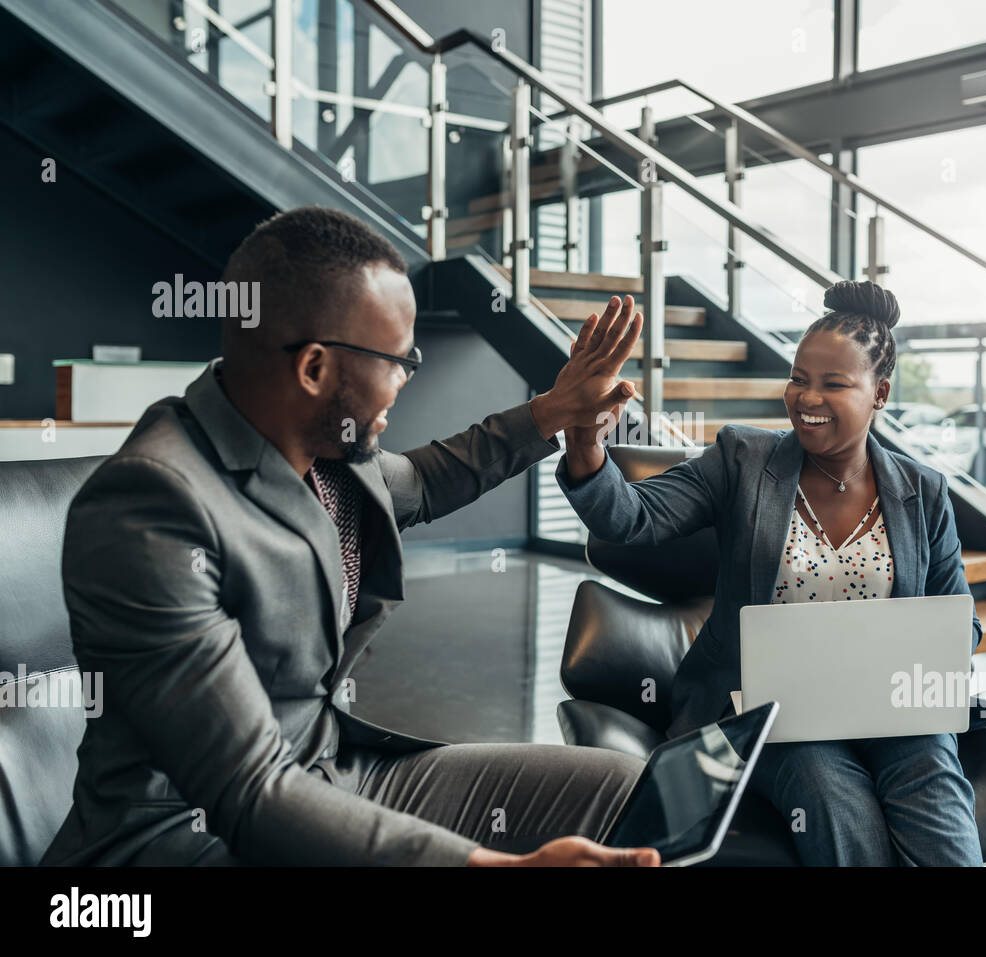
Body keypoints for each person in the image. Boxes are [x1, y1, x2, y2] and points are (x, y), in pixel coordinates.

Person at [42, 206, 657, 867]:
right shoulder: (151, 505)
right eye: (400, 360)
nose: (404, 380)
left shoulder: (328, 450)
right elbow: (248, 788)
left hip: (335, 772)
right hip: (192, 836)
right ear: (314, 368)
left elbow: (425, 477)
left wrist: (556, 411)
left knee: (626, 790)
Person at [554, 281, 985, 866]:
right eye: (799, 377)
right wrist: (585, 445)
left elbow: (961, 624)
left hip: (891, 707)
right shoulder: (743, 460)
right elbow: (630, 518)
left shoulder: (923, 492)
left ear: (879, 393)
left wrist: (934, 660)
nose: (807, 397)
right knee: (834, 802)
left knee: (937, 797)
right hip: (772, 711)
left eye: (833, 384)